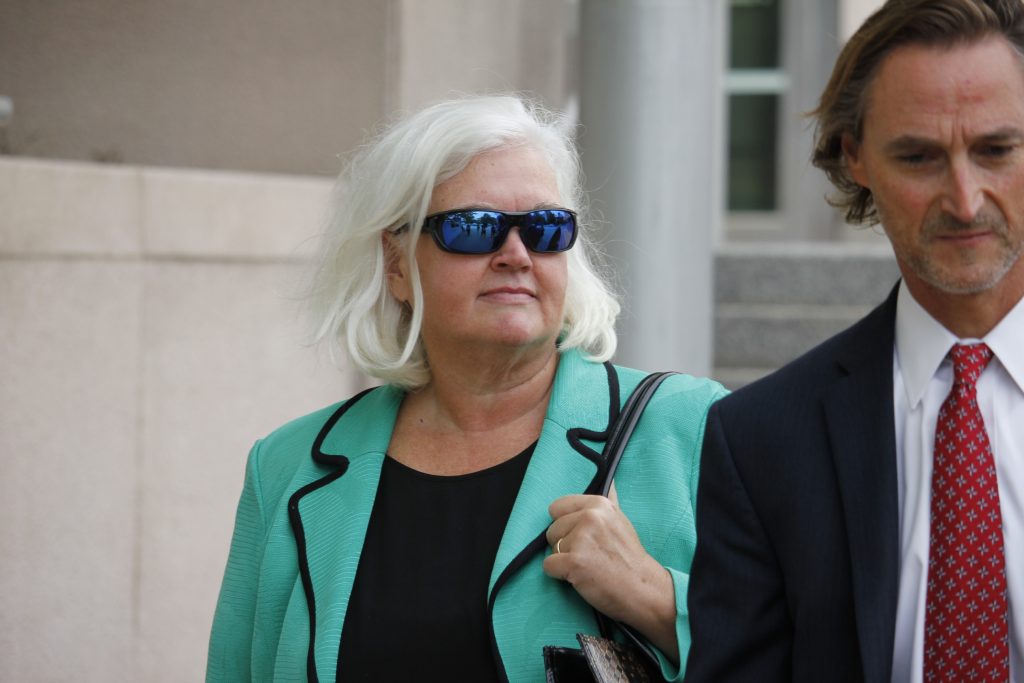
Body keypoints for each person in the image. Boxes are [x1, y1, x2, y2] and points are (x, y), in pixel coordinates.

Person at [206, 95, 726, 682]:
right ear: (397, 263)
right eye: (474, 228)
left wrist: (657, 600)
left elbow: (806, 652)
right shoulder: (287, 466)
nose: (516, 254)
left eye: (544, 228)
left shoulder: (693, 428)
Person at [684, 1, 1024, 681]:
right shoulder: (760, 440)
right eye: (919, 156)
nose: (964, 199)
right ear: (856, 157)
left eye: (996, 149)